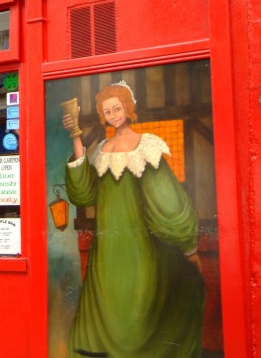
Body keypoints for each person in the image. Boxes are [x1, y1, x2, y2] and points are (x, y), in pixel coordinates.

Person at [61, 81, 203, 357]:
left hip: (141, 249)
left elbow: (167, 202)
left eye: (117, 108)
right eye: (107, 111)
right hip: (108, 254)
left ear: (128, 108)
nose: (113, 114)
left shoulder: (145, 146)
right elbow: (84, 194)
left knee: (139, 314)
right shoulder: (102, 148)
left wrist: (188, 244)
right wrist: (75, 135)